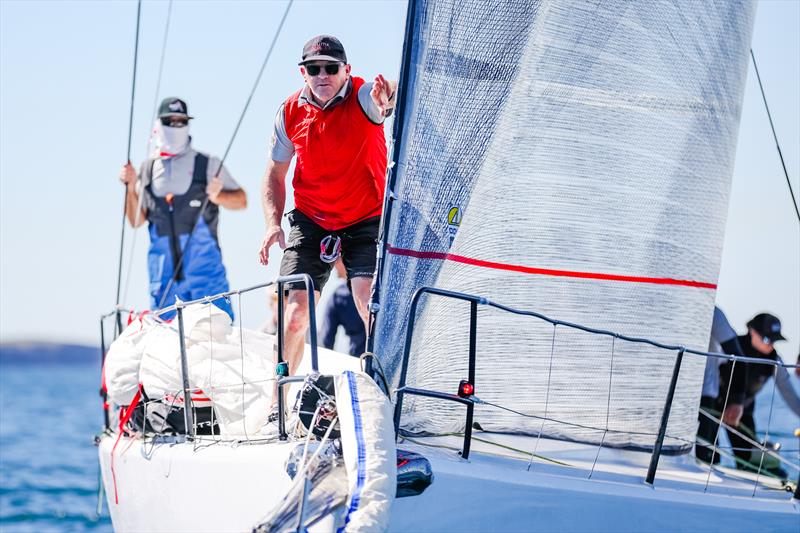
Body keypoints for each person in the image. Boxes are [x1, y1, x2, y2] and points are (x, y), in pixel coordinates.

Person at [257, 35, 396, 420]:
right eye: (313, 68)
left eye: (331, 68)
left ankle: (390, 395)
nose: (322, 75)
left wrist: (390, 97)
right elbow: (275, 174)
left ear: (346, 70)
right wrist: (272, 223)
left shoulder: (365, 96)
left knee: (369, 301)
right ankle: (277, 404)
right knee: (296, 313)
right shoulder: (289, 112)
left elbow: (386, 97)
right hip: (311, 219)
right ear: (303, 72)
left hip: (365, 216)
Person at [119, 97, 246, 319]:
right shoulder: (146, 171)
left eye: (181, 121)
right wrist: (130, 188)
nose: (176, 126)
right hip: (164, 282)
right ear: (158, 125)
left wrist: (218, 196)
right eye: (171, 121)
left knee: (218, 342)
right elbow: (136, 221)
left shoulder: (208, 164)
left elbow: (242, 200)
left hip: (207, 278)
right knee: (169, 346)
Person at [717, 313, 800, 476]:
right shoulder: (730, 347)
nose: (771, 346)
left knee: (749, 458)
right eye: (767, 340)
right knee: (706, 452)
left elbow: (788, 392)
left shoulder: (773, 360)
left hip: (744, 411)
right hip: (712, 405)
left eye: (775, 340)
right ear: (752, 332)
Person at [695, 307, 747, 464]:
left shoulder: (711, 310)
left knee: (705, 458)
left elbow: (737, 356)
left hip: (705, 395)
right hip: (665, 392)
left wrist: (737, 401)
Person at [318, 259, 365, 356]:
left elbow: (326, 342)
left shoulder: (338, 297)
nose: (333, 264)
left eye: (337, 258)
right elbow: (326, 342)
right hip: (358, 364)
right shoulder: (337, 297)